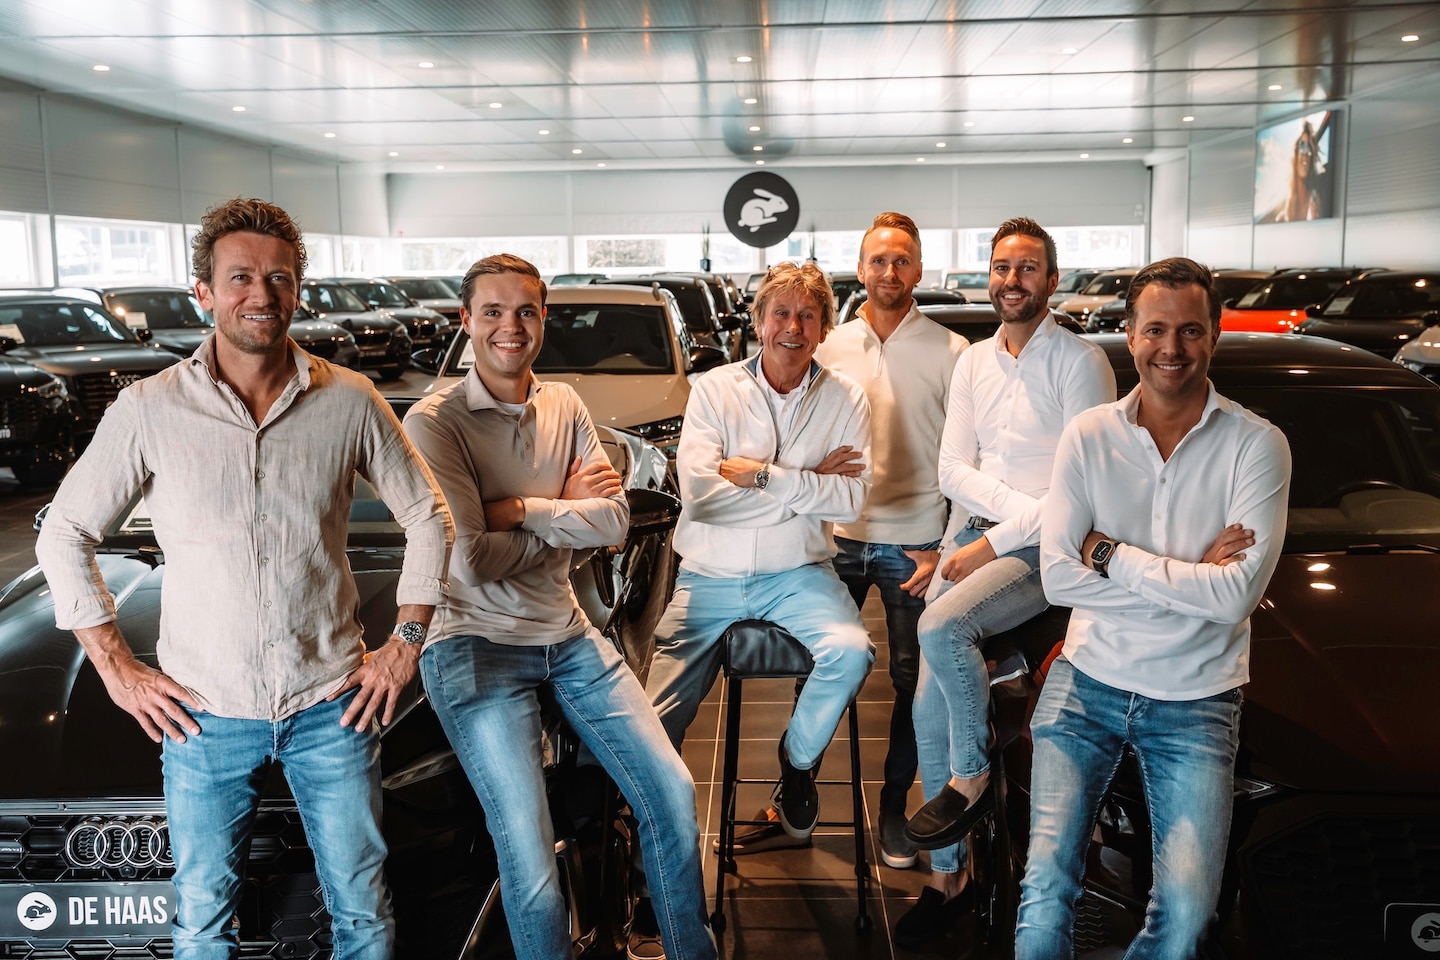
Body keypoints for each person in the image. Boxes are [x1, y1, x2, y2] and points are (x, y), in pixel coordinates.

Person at [35, 197, 453, 959]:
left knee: (363, 912)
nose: (261, 294)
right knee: (202, 921)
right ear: (204, 291)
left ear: (298, 290)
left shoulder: (349, 400)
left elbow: (429, 515)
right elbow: (64, 532)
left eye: (278, 277)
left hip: (332, 706)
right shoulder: (149, 410)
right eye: (240, 277)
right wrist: (117, 669)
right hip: (205, 716)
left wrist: (406, 645)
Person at [401, 254, 715, 960]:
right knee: (530, 850)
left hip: (567, 634)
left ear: (543, 320)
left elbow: (614, 521)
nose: (509, 327)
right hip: (474, 646)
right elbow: (470, 561)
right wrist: (565, 514)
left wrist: (519, 509)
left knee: (671, 794)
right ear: (466, 320)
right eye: (492, 312)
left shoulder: (565, 404)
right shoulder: (435, 423)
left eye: (525, 311)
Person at [1017, 256, 1291, 958]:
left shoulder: (1257, 445)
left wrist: (1110, 555)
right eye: (1156, 330)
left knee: (1189, 916)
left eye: (1191, 330)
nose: (1173, 348)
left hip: (1197, 698)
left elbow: (1235, 597)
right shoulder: (1088, 435)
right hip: (1087, 681)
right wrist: (1192, 580)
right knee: (1045, 888)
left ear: (1215, 336)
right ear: (1131, 335)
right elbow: (1058, 579)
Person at [900, 217, 1116, 949]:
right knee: (927, 712)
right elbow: (950, 469)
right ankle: (949, 879)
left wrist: (993, 539)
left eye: (1027, 268)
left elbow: (1080, 493)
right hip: (974, 534)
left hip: (1049, 549)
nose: (1011, 281)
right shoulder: (973, 362)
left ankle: (971, 775)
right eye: (1001, 267)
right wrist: (983, 531)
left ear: (1051, 280)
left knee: (940, 627)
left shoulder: (1082, 363)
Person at [645, 261, 875, 844]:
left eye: (808, 316)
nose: (793, 327)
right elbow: (702, 498)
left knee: (852, 654)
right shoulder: (714, 389)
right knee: (652, 719)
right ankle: (653, 843)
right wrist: (808, 481)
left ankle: (796, 763)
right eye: (781, 313)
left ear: (824, 328)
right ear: (758, 321)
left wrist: (763, 477)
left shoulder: (847, 398)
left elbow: (849, 501)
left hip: (798, 574)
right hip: (708, 575)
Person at [808, 212, 966, 871]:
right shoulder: (828, 345)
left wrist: (948, 545)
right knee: (817, 668)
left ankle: (894, 806)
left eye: (902, 260)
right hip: (837, 539)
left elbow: (968, 461)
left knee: (911, 683)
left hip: (916, 542)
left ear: (919, 270)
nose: (890, 271)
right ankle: (797, 784)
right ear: (860, 267)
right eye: (878, 259)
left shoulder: (953, 352)